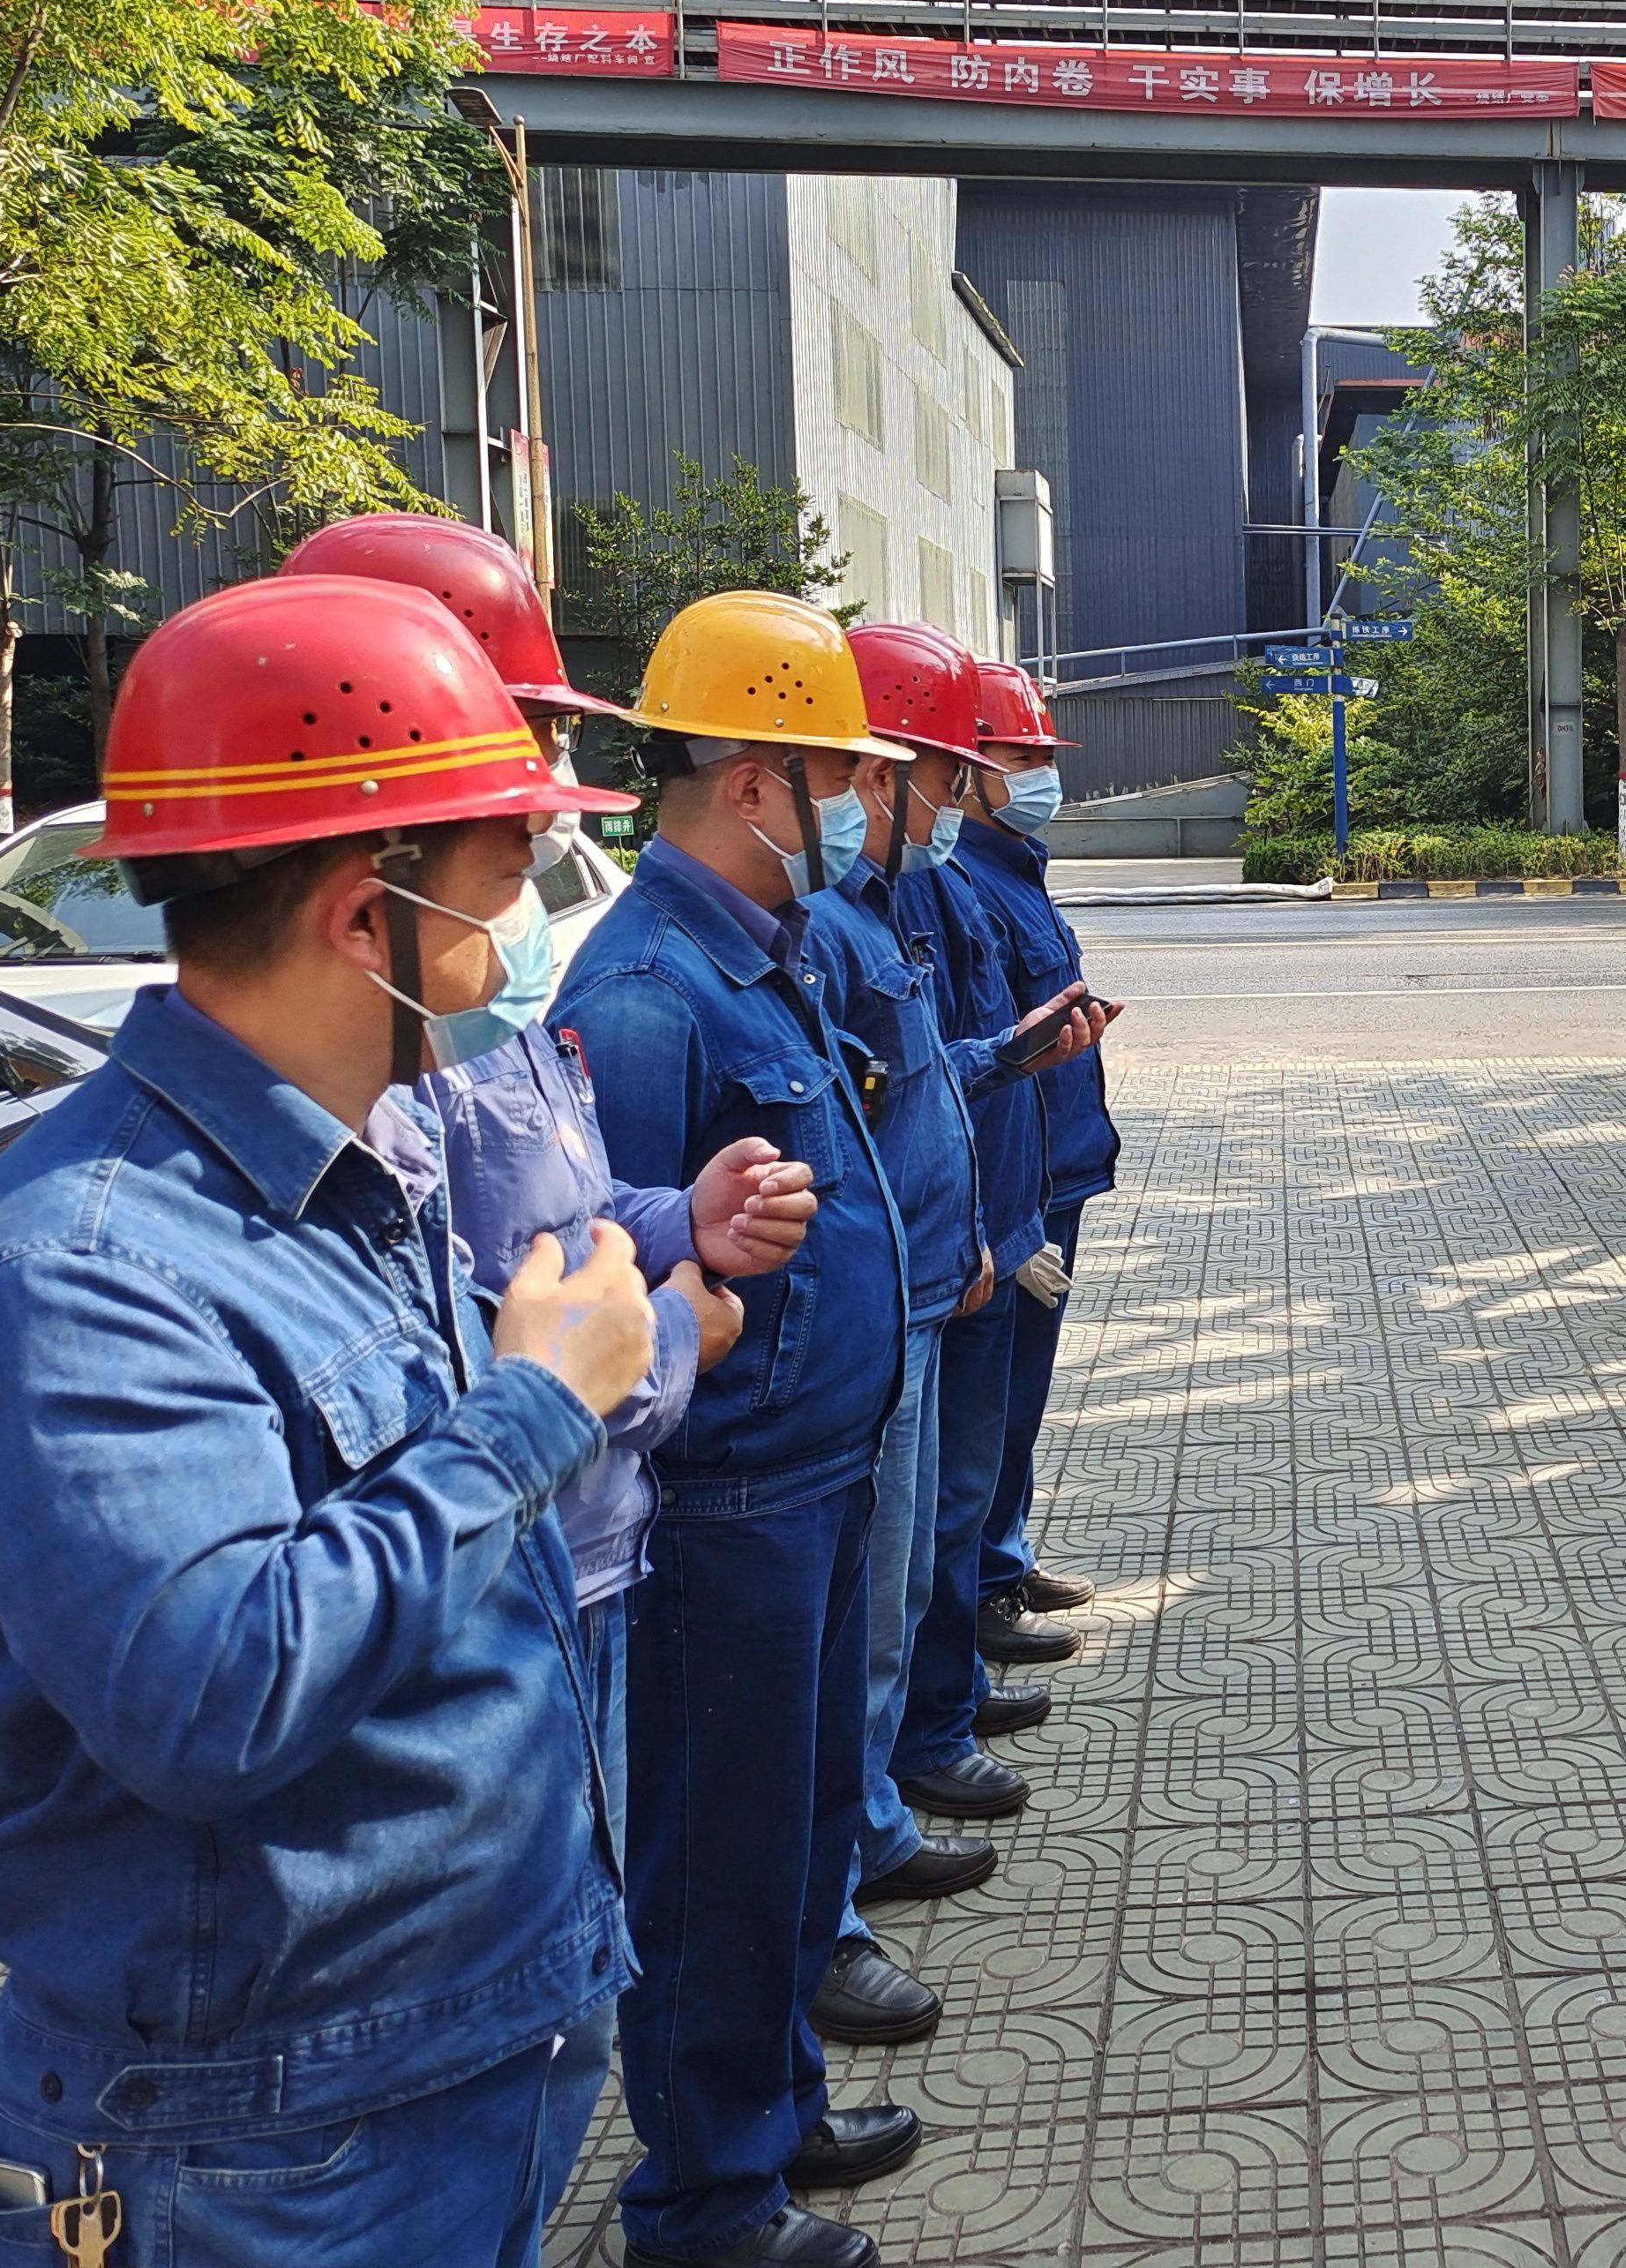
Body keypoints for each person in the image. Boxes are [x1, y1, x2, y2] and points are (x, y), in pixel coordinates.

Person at [0, 575, 657, 2265]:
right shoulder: (75, 1275)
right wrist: (532, 1411)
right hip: (258, 2154)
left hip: (438, 2067)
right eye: (503, 864)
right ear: (359, 906)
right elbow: (210, 1692)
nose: (527, 912)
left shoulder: (358, 1166)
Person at [279, 516, 820, 1881]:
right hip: (490, 1595)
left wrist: (671, 1221)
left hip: (583, 1553)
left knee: (572, 1980)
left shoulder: (470, 1009)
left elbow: (555, 1219)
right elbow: (460, 1339)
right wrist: (659, 1354)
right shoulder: (345, 1087)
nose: (539, 801)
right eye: (511, 745)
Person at [553, 592, 922, 2268]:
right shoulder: (643, 988)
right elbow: (598, 1262)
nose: (855, 805)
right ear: (757, 779)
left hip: (816, 1471)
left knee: (796, 1829)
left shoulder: (754, 955)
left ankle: (772, 2106)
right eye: (836, 775)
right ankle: (703, 2202)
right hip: (725, 1500)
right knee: (716, 1857)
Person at [803, 624, 1100, 2036]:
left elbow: (927, 1079)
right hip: (899, 1297)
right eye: (993, 762)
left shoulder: (892, 904)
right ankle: (870, 1821)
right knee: (885, 1581)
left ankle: (881, 1802)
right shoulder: (728, 959)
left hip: (948, 1257)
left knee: (924, 1541)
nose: (1019, 780)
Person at [939, 660, 1120, 1668]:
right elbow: (963, 1071)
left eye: (1046, 757)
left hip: (1053, 1176)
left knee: (1016, 1403)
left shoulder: (1014, 869)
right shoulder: (964, 883)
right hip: (1015, 1189)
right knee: (984, 1411)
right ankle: (975, 1598)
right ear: (965, 772)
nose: (1042, 775)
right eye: (1023, 757)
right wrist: (996, 1232)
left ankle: (999, 1563)